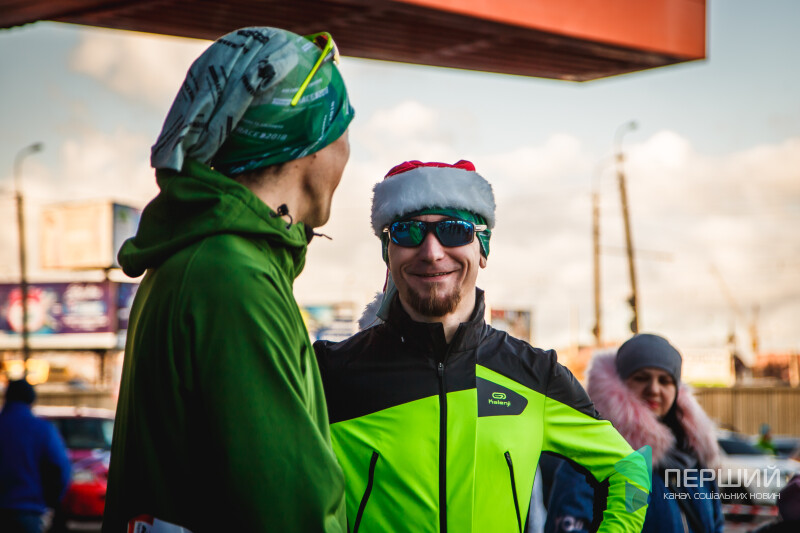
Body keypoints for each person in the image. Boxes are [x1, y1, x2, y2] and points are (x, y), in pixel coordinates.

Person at [103, 26, 354, 533]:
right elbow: (287, 507)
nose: (348, 153)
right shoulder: (234, 280)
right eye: (343, 129)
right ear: (309, 143)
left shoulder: (203, 257)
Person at [314, 160, 650, 532]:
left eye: (454, 231)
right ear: (388, 252)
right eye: (407, 231)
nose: (431, 252)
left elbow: (631, 472)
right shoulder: (328, 373)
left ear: (483, 249)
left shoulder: (535, 374)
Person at [545, 333, 724, 533]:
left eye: (665, 380)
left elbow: (715, 525)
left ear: (677, 390)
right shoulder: (595, 454)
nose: (654, 389)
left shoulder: (692, 456)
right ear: (618, 385)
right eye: (641, 378)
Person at [0, 379, 71, 533]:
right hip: (29, 511)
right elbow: (61, 469)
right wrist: (52, 502)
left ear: (7, 398)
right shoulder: (42, 429)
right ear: (31, 400)